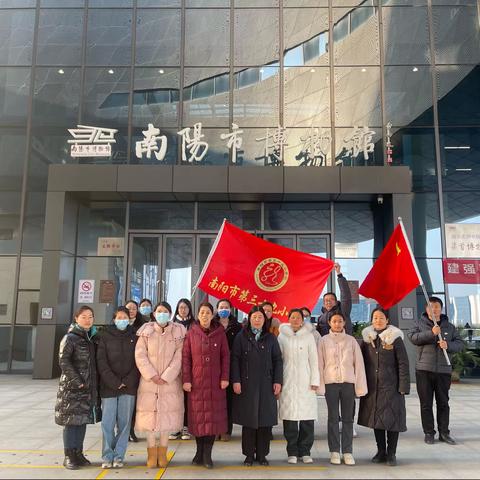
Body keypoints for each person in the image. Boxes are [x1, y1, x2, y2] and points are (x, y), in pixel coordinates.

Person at [135, 301, 186, 469]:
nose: (161, 313)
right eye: (159, 311)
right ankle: (151, 452)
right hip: (149, 383)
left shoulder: (178, 332)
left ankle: (163, 452)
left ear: (170, 314)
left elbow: (180, 356)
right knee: (150, 417)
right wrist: (152, 375)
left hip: (169, 383)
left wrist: (167, 376)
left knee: (167, 417)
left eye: (165, 311)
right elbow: (140, 355)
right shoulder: (146, 332)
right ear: (154, 313)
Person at [407, 297, 464, 445]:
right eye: (431, 307)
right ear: (426, 309)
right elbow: (413, 338)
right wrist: (431, 333)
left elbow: (459, 343)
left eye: (437, 306)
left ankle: (444, 433)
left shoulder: (449, 327)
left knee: (443, 403)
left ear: (441, 308)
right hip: (424, 370)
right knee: (426, 403)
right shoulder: (419, 324)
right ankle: (429, 433)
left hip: (444, 370)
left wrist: (448, 345)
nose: (434, 309)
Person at [231, 306, 283, 466]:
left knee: (264, 422)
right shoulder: (241, 337)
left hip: (267, 384)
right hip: (247, 384)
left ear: (264, 320)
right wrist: (236, 380)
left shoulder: (271, 338)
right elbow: (235, 359)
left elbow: (278, 360)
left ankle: (262, 454)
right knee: (249, 421)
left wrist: (277, 381)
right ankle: (248, 455)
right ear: (250, 319)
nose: (257, 320)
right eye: (254, 317)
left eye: (260, 317)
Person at [358, 308, 410, 467]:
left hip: (391, 386)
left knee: (393, 420)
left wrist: (403, 386)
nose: (378, 320)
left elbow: (403, 363)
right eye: (375, 318)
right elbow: (361, 363)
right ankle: (381, 451)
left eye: (381, 318)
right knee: (377, 420)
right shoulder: (367, 339)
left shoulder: (395, 339)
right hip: (373, 386)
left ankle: (391, 453)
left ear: (387, 320)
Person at [182, 302, 230, 468]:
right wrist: (186, 380)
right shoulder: (191, 333)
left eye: (207, 313)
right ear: (198, 314)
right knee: (198, 420)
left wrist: (225, 377)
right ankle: (198, 453)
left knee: (212, 420)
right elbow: (186, 358)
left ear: (212, 314)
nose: (204, 315)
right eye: (202, 312)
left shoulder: (220, 333)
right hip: (196, 383)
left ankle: (207, 455)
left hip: (215, 383)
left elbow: (226, 357)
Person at [318, 312, 367, 466]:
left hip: (348, 384)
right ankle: (334, 451)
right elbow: (320, 364)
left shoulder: (351, 341)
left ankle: (347, 451)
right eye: (334, 321)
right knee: (332, 419)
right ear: (330, 323)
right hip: (330, 384)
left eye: (340, 321)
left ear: (344, 323)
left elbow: (359, 365)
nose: (337, 324)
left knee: (348, 419)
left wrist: (359, 387)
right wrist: (320, 386)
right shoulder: (323, 341)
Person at [55, 306, 101, 470]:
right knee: (71, 422)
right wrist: (78, 382)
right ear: (76, 318)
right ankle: (68, 456)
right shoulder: (70, 338)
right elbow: (63, 361)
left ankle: (78, 453)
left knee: (81, 421)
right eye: (84, 317)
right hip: (73, 388)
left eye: (90, 316)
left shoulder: (92, 338)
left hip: (87, 388)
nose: (88, 320)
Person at [96, 306, 140, 469]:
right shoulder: (105, 336)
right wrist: (114, 381)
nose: (122, 319)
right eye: (119, 317)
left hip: (128, 387)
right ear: (114, 319)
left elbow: (139, 361)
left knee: (124, 423)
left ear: (129, 319)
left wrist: (127, 381)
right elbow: (101, 361)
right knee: (107, 423)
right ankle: (107, 456)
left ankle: (119, 456)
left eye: (125, 317)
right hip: (109, 386)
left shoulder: (135, 335)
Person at [278, 309, 320, 464]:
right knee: (290, 419)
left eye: (298, 317)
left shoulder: (309, 336)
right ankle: (292, 452)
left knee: (307, 418)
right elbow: (278, 360)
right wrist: (278, 381)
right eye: (292, 317)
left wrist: (315, 380)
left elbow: (314, 360)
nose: (295, 319)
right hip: (287, 380)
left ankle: (306, 451)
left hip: (306, 382)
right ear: (288, 319)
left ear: (303, 320)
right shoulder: (282, 336)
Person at [214, 298, 242, 441]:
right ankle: (216, 429)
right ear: (217, 309)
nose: (223, 309)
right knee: (216, 399)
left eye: (226, 307)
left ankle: (226, 430)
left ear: (230, 309)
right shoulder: (212, 325)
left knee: (229, 400)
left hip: (231, 366)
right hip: (214, 367)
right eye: (221, 307)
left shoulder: (237, 326)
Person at [170, 298, 195, 441]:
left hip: (190, 365)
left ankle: (186, 426)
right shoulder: (172, 325)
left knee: (187, 398)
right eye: (180, 307)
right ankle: (175, 427)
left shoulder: (194, 324)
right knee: (174, 398)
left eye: (185, 307)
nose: (183, 310)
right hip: (174, 365)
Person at [125, 299, 146, 442]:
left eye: (134, 308)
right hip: (121, 368)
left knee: (133, 402)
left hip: (137, 368)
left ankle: (131, 430)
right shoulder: (119, 324)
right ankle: (122, 430)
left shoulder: (142, 326)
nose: (131, 311)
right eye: (129, 308)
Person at [316, 263, 352, 336]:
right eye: (326, 300)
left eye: (331, 299)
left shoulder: (342, 311)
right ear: (323, 304)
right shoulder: (321, 318)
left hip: (344, 344)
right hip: (327, 345)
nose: (328, 302)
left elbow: (346, 295)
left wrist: (339, 274)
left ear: (336, 302)